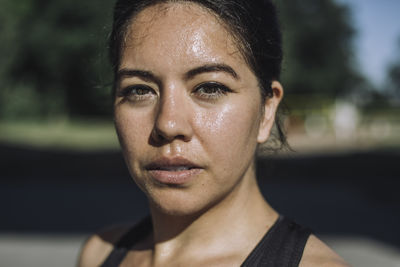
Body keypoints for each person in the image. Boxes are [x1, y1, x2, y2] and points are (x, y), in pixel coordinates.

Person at [79, 0, 349, 266]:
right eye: (139, 90)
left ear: (267, 110)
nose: (168, 124)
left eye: (209, 87)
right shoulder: (99, 253)